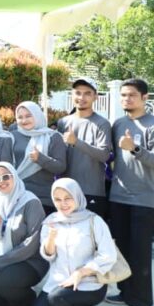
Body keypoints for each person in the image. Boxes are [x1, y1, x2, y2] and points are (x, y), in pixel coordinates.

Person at [106, 78, 154, 306]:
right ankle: (125, 292)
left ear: (145, 98)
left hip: (144, 198)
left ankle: (142, 301)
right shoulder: (118, 124)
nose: (127, 99)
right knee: (122, 249)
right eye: (123, 95)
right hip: (119, 195)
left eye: (132, 95)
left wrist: (134, 148)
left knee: (140, 251)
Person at [32, 178, 118, 306]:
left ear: (77, 196)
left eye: (68, 198)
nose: (63, 203)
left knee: (57, 299)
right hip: (59, 282)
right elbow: (48, 255)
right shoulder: (51, 221)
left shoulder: (94, 220)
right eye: (58, 199)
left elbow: (108, 255)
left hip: (88, 282)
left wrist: (81, 272)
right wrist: (51, 238)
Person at [0, 162, 47, 306]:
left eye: (6, 177)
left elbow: (32, 243)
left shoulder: (30, 202)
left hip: (28, 261)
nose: (1, 181)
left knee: (5, 283)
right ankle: (9, 296)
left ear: (14, 177)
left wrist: (2, 261)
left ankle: (27, 300)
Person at [56, 78, 113, 218]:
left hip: (91, 191)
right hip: (66, 192)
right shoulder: (63, 122)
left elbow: (104, 155)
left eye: (87, 93)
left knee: (90, 231)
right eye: (78, 93)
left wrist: (76, 142)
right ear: (72, 94)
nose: (81, 97)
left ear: (95, 97)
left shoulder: (102, 123)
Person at [12, 101, 67, 201]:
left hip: (43, 197)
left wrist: (40, 158)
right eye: (20, 117)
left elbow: (60, 167)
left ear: (37, 115)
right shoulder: (12, 136)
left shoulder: (53, 136)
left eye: (28, 116)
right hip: (16, 195)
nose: (24, 120)